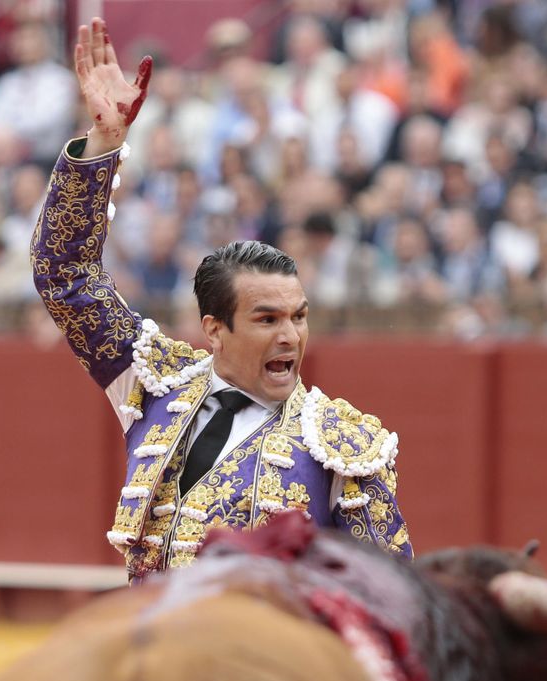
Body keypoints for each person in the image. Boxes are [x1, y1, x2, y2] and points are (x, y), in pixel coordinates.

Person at [31, 18, 412, 584]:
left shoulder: (342, 449)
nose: (290, 335)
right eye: (267, 319)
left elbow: (391, 601)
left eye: (299, 316)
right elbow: (64, 275)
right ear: (215, 330)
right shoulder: (154, 385)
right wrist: (104, 143)